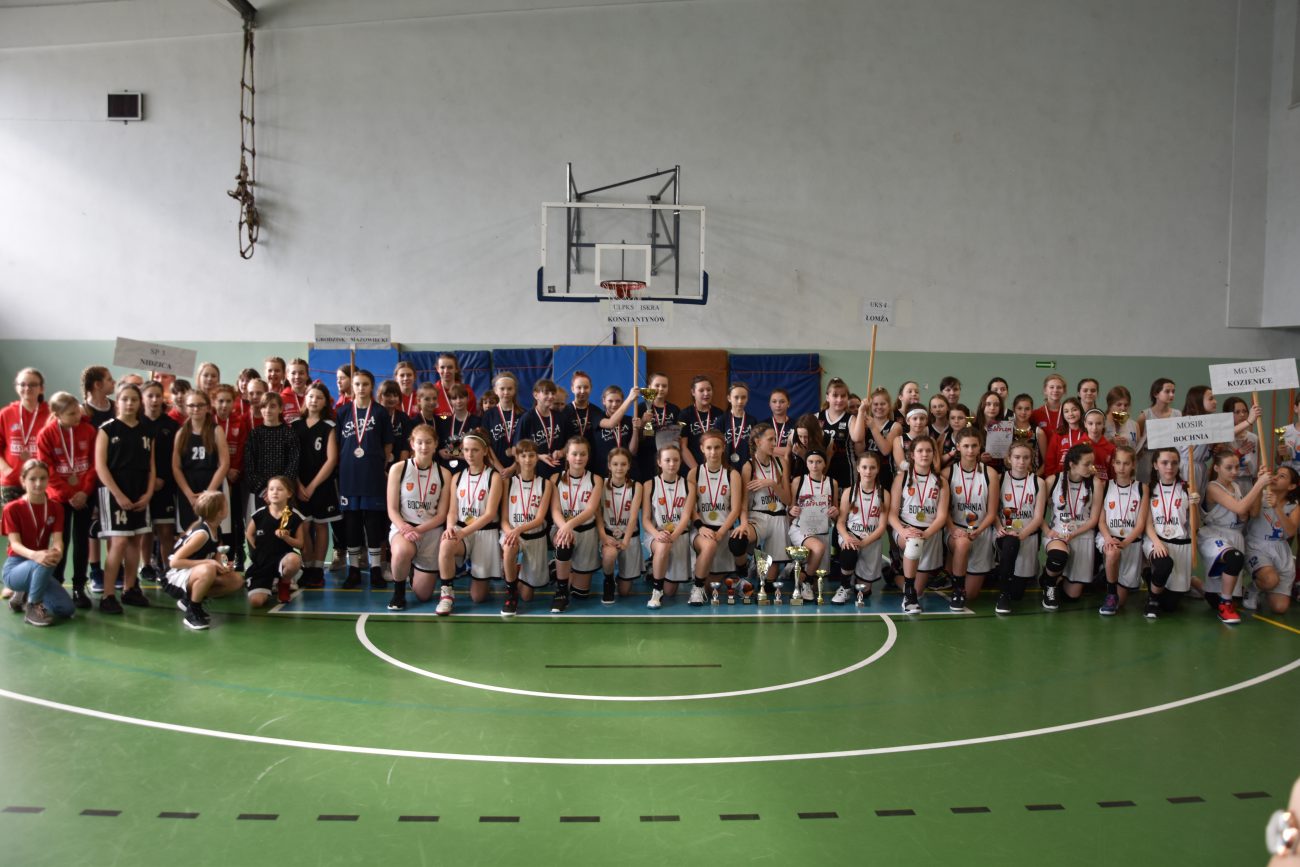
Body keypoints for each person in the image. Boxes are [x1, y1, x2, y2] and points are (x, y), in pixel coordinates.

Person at [94, 383, 155, 614]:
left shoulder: (147, 431)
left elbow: (152, 467)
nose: (129, 403)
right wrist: (118, 494)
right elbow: (100, 466)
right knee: (119, 542)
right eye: (125, 399)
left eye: (134, 399)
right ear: (117, 401)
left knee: (135, 542)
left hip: (139, 491)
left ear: (140, 403)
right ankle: (108, 595)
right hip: (114, 492)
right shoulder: (107, 429)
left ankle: (130, 589)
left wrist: (148, 493)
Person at [37, 391, 97, 608]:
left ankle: (79, 586)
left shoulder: (88, 430)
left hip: (84, 495)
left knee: (82, 540)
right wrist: (69, 494)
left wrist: (84, 491)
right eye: (71, 414)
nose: (77, 416)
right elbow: (47, 469)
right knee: (60, 541)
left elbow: (94, 463)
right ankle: (56, 584)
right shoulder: (46, 435)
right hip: (59, 498)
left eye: (77, 412)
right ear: (57, 415)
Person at [1198, 447, 1270, 624]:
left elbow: (1252, 513)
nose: (1234, 471)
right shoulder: (1213, 487)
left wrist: (1258, 485)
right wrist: (1259, 484)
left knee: (1218, 595)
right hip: (1215, 535)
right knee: (1234, 559)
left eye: (1237, 467)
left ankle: (1196, 584)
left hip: (1235, 536)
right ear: (1217, 468)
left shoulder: (1236, 487)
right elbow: (1239, 508)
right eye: (1229, 468)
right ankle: (1225, 605)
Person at [436, 431, 503, 615]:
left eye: (475, 450)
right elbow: (452, 511)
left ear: (485, 451)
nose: (469, 454)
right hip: (462, 529)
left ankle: (480, 576)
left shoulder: (494, 477)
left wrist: (463, 533)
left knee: (477, 597)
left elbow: (490, 514)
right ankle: (446, 595)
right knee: (446, 543)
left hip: (485, 532)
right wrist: (450, 528)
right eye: (466, 450)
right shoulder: (457, 477)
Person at [335, 370, 391, 589]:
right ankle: (354, 570)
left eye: (365, 384)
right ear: (352, 386)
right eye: (357, 384)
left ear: (372, 386)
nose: (361, 388)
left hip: (372, 475)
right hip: (349, 475)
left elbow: (388, 444)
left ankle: (376, 570)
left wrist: (381, 465)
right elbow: (338, 444)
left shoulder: (380, 412)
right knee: (352, 524)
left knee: (373, 523)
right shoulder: (342, 412)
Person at [386, 424, 451, 611]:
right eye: (420, 442)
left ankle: (412, 571)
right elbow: (392, 509)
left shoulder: (444, 474)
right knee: (401, 552)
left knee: (423, 595)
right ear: (412, 444)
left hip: (430, 530)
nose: (424, 447)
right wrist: (405, 528)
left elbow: (442, 515)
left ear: (436, 444)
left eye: (428, 442)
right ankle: (398, 594)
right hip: (404, 527)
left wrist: (419, 530)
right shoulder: (398, 468)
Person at [2, 459, 71, 626]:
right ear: (23, 481)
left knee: (66, 609)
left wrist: (58, 552)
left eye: (43, 478)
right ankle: (32, 607)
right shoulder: (12, 508)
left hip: (40, 565)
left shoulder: (56, 508)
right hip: (16, 567)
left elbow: (58, 540)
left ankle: (23, 594)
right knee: (44, 560)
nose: (38, 484)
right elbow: (15, 544)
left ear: (48, 479)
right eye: (32, 479)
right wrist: (36, 555)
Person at [165, 490, 244, 629]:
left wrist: (224, 566)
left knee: (236, 580)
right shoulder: (202, 534)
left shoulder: (216, 528)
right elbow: (174, 562)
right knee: (208, 569)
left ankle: (188, 600)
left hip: (192, 572)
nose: (228, 506)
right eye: (225, 504)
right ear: (219, 512)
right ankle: (192, 612)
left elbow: (218, 554)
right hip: (173, 576)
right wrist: (208, 562)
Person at [1039, 443, 1103, 608]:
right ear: (1072, 464)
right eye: (1087, 464)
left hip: (1083, 534)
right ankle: (1049, 584)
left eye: (1092, 463)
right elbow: (1037, 512)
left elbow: (1094, 519)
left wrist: (1074, 534)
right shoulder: (1053, 480)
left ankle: (1054, 577)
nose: (1092, 467)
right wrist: (1048, 531)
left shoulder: (1095, 483)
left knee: (1072, 596)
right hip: (1058, 533)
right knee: (1058, 557)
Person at [888, 436, 948, 614]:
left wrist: (926, 534)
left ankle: (894, 576)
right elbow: (891, 514)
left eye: (928, 451)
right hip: (906, 529)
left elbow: (942, 516)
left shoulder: (941, 481)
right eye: (920, 450)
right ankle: (908, 595)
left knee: (920, 590)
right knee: (914, 543)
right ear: (912, 455)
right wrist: (903, 532)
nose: (924, 454)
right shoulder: (902, 478)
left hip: (930, 532)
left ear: (934, 454)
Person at [686, 429, 743, 606]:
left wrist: (721, 533)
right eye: (709, 448)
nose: (713, 452)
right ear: (702, 449)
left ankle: (740, 574)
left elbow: (735, 509)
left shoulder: (732, 474)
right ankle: (697, 588)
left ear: (723, 448)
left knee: (713, 588)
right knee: (709, 547)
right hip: (701, 531)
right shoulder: (694, 473)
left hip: (723, 531)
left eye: (717, 447)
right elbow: (690, 508)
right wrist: (701, 527)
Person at [292, 382, 341, 588]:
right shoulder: (295, 425)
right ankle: (308, 566)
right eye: (311, 396)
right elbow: (290, 459)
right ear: (305, 398)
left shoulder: (329, 426)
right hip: (298, 485)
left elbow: (332, 459)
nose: (314, 400)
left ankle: (318, 568)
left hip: (322, 485)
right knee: (303, 526)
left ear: (325, 403)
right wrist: (297, 484)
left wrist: (312, 486)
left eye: (319, 398)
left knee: (321, 525)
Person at [945, 428, 999, 611]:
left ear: (980, 446)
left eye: (974, 446)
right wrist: (953, 529)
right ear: (958, 446)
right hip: (956, 530)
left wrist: (978, 530)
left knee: (973, 595)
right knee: (962, 544)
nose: (970, 450)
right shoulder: (948, 473)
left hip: (981, 530)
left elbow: (991, 513)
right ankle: (957, 589)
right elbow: (943, 511)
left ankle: (957, 579)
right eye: (966, 446)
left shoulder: (990, 473)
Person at [549, 436, 604, 612]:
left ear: (588, 456)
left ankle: (559, 567)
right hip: (561, 529)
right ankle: (561, 592)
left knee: (580, 594)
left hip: (587, 531)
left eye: (582, 454)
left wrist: (569, 525)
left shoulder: (596, 479)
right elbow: (555, 510)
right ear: (566, 455)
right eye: (574, 454)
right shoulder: (555, 478)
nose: (578, 458)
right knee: (564, 543)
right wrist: (565, 528)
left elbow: (590, 510)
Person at [992, 441, 1047, 615]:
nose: (1021, 462)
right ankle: (1003, 595)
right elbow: (992, 510)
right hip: (1004, 534)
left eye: (1026, 458)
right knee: (1010, 543)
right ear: (1009, 458)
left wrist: (1021, 534)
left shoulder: (1038, 482)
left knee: (1017, 594)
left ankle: (1010, 581)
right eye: (1017, 457)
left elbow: (1038, 518)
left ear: (1031, 459)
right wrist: (999, 526)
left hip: (1027, 535)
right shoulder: (999, 479)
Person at [1142, 448, 1197, 619]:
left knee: (1170, 605)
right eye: (1164, 463)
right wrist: (1157, 543)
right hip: (1156, 540)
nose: (1169, 467)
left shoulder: (1187, 488)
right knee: (1164, 564)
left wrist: (1194, 505)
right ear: (1155, 465)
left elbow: (1195, 526)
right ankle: (1152, 600)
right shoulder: (1149, 489)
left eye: (1174, 463)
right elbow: (1147, 523)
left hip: (1181, 543)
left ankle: (1150, 577)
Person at [498, 439, 550, 615]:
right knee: (509, 545)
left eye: (532, 455)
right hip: (513, 533)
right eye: (523, 455)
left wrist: (518, 530)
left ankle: (518, 571)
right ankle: (511, 592)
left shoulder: (545, 484)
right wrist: (511, 533)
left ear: (537, 458)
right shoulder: (508, 483)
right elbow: (504, 519)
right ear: (517, 458)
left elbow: (540, 518)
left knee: (527, 596)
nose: (528, 460)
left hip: (535, 536)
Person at [738, 423, 790, 599]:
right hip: (757, 516)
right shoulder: (748, 466)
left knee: (767, 587)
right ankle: (747, 564)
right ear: (758, 441)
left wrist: (772, 484)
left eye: (775, 439)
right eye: (770, 439)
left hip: (778, 517)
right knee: (739, 540)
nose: (775, 443)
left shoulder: (781, 462)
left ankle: (759, 562)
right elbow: (743, 503)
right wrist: (743, 524)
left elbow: (787, 500)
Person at [1096, 444, 1148, 615]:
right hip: (1109, 537)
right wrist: (1108, 538)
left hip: (1131, 541)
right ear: (1113, 464)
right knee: (1112, 553)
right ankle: (1110, 593)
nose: (1121, 467)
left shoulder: (1141, 488)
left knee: (1122, 603)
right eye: (1118, 462)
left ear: (1133, 465)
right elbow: (1101, 521)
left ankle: (1106, 576)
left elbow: (1141, 524)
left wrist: (1125, 542)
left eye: (1126, 463)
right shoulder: (1105, 486)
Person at [643, 443, 695, 608]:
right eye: (667, 460)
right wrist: (657, 534)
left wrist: (673, 536)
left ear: (680, 462)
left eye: (675, 460)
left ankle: (655, 569)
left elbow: (686, 517)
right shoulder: (649, 485)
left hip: (679, 535)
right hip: (656, 534)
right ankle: (656, 591)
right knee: (663, 546)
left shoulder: (688, 486)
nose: (672, 464)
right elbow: (645, 519)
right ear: (659, 462)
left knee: (671, 591)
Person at [172, 389, 231, 533]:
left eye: (200, 405)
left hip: (212, 484)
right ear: (186, 407)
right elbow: (176, 467)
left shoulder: (216, 430)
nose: (196, 409)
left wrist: (208, 493)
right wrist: (188, 494)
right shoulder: (181, 433)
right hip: (189, 487)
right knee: (188, 532)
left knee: (214, 532)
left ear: (208, 407)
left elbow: (224, 464)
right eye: (192, 405)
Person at [834, 451, 888, 605]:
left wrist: (864, 543)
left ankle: (856, 575)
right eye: (864, 467)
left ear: (878, 469)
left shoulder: (884, 494)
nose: (868, 471)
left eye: (872, 467)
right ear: (858, 468)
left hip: (871, 539)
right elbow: (840, 522)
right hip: (852, 534)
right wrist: (846, 537)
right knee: (849, 550)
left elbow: (882, 527)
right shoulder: (849, 492)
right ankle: (844, 586)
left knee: (864, 592)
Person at [1244, 466, 1299, 615]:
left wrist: (1277, 507)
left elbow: (1290, 532)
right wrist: (1259, 483)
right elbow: (1253, 513)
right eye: (1276, 474)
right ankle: (1253, 589)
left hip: (1280, 549)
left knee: (1280, 608)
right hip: (1256, 545)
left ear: (1291, 486)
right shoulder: (1261, 495)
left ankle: (1265, 585)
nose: (1275, 477)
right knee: (1270, 580)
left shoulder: (1294, 506)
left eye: (1282, 476)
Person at [244, 476, 305, 606]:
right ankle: (269, 583)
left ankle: (284, 583)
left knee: (294, 560)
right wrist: (257, 550)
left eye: (279, 489)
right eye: (271, 489)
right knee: (256, 602)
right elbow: (249, 533)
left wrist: (286, 538)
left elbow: (300, 543)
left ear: (289, 493)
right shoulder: (259, 514)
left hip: (282, 560)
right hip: (262, 564)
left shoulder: (294, 516)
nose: (275, 492)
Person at [789, 447, 839, 603]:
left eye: (818, 462)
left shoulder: (832, 483)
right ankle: (807, 580)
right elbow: (790, 507)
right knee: (818, 548)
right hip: (800, 529)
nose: (814, 465)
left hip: (822, 531)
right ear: (806, 463)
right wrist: (792, 510)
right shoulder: (798, 481)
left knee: (819, 585)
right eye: (811, 462)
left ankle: (795, 570)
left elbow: (836, 510)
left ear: (824, 464)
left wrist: (835, 512)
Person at [598, 447, 642, 603]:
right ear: (609, 465)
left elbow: (634, 517)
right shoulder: (601, 484)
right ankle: (608, 580)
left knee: (624, 592)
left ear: (629, 465)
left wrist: (625, 541)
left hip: (629, 536)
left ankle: (620, 577)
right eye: (615, 464)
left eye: (623, 464)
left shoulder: (636, 486)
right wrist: (603, 536)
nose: (619, 468)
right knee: (610, 555)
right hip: (609, 535)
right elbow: (597, 514)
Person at [213, 384, 249, 569]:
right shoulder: (209, 422)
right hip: (214, 478)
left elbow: (242, 448)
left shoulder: (239, 422)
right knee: (214, 519)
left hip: (234, 479)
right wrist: (224, 471)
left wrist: (234, 471)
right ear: (213, 402)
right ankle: (213, 557)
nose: (224, 405)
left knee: (233, 520)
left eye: (228, 401)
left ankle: (233, 558)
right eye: (220, 401)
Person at [1, 368, 51, 505]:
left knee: (39, 517)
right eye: (22, 384)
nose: (27, 388)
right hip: (12, 482)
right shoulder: (6, 413)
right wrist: (7, 470)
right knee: (12, 518)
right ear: (17, 387)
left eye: (33, 384)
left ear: (41, 388)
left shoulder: (50, 414)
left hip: (41, 481)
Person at [636, 372, 680, 483]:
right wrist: (643, 422)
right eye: (657, 385)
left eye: (664, 386)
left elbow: (677, 435)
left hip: (668, 458)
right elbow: (637, 437)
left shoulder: (674, 409)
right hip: (646, 456)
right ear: (649, 387)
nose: (661, 389)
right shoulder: (641, 408)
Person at [517, 378, 564, 480]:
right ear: (536, 395)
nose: (550, 396)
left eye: (553, 393)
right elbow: (518, 449)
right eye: (546, 393)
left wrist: (562, 452)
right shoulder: (527, 418)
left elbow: (569, 442)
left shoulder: (560, 417)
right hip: (535, 470)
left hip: (558, 469)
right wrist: (538, 456)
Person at [593, 384, 639, 480]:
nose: (614, 404)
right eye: (610, 401)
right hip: (604, 472)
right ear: (604, 401)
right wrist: (629, 399)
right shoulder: (597, 417)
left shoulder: (629, 420)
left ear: (622, 401)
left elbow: (632, 451)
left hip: (626, 472)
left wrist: (636, 430)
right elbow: (611, 423)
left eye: (618, 401)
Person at [679, 375, 723, 472]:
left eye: (709, 390)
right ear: (693, 392)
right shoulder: (684, 414)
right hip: (692, 468)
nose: (706, 393)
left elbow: (722, 444)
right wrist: (698, 470)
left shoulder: (720, 414)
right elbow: (683, 447)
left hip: (715, 468)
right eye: (701, 390)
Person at [434, 382, 479, 473]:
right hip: (446, 470)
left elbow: (475, 452)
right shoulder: (443, 422)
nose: (458, 401)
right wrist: (439, 452)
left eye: (461, 397)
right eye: (454, 398)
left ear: (467, 398)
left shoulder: (477, 422)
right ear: (450, 401)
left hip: (469, 470)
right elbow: (440, 450)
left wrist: (450, 453)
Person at [819, 377, 854, 488]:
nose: (839, 399)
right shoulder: (817, 417)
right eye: (835, 395)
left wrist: (862, 411)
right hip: (821, 469)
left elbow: (857, 439)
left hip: (845, 470)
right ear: (827, 397)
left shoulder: (851, 419)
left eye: (843, 396)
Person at [560, 370, 598, 454]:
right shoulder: (564, 411)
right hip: (569, 457)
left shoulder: (596, 411)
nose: (582, 391)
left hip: (592, 457)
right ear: (572, 388)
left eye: (586, 387)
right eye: (579, 387)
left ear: (591, 388)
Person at [723, 382, 756, 472]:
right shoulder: (722, 420)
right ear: (729, 398)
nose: (740, 401)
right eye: (736, 397)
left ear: (747, 399)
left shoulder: (752, 421)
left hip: (747, 467)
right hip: (726, 467)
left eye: (743, 397)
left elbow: (755, 447)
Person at [1029, 373, 1067, 438]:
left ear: (1064, 391)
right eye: (1051, 387)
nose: (1055, 390)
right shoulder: (1035, 414)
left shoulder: (1068, 413)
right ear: (1045, 390)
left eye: (1059, 387)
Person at [280, 358, 311, 424]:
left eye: (301, 373)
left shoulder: (315, 397)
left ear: (307, 376)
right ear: (287, 376)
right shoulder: (281, 399)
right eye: (293, 373)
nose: (297, 376)